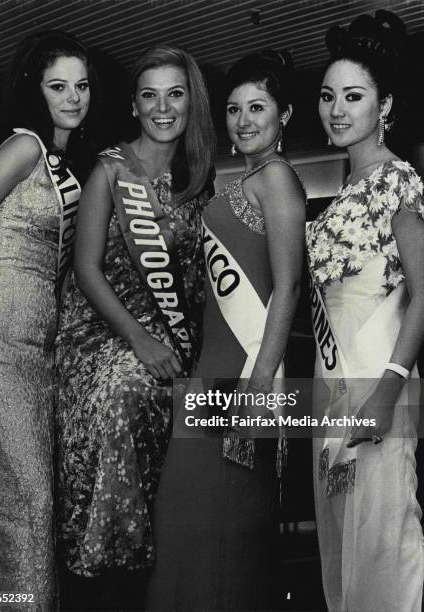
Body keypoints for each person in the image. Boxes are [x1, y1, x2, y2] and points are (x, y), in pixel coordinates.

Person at [55, 45, 215, 610]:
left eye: (175, 93)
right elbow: (86, 268)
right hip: (101, 334)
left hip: (171, 340)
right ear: (133, 104)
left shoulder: (198, 182)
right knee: (126, 391)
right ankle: (104, 566)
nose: (162, 107)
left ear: (190, 101)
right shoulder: (110, 170)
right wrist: (140, 340)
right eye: (149, 95)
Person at [148, 50, 306, 611]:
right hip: (211, 372)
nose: (243, 120)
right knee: (185, 517)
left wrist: (259, 383)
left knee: (224, 527)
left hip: (243, 378)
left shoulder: (280, 181)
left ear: (284, 114)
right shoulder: (243, 178)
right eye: (234, 108)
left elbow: (287, 287)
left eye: (257, 107)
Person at [0, 30, 94, 609]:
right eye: (58, 85)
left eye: (82, 86)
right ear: (35, 91)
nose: (73, 97)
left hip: (39, 345)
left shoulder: (66, 162)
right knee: (21, 494)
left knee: (27, 496)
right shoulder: (24, 148)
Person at [306, 11, 424, 612]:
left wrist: (389, 387)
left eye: (354, 96)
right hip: (333, 385)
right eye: (328, 96)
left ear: (385, 105)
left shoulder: (397, 181)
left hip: (381, 379)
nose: (337, 109)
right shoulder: (335, 200)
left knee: (383, 540)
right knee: (341, 547)